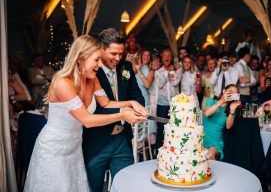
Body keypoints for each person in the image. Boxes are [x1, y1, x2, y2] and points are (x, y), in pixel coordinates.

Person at [24, 35, 147, 191]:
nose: (99, 65)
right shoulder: (62, 82)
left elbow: (107, 103)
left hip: (74, 148)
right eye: (96, 60)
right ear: (81, 58)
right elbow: (86, 120)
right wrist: (122, 115)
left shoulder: (91, 78)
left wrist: (131, 103)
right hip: (54, 149)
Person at [82, 29, 146, 192]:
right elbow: (92, 109)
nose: (118, 58)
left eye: (121, 53)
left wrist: (135, 107)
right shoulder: (90, 71)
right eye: (113, 53)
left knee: (126, 185)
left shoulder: (126, 67)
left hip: (122, 139)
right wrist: (123, 113)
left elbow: (138, 97)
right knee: (94, 187)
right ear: (101, 48)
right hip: (96, 139)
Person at [203, 84, 241, 160]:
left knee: (209, 155)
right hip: (200, 139)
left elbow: (228, 126)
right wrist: (222, 101)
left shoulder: (230, 109)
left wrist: (232, 111)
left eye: (234, 93)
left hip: (215, 142)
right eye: (230, 91)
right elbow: (207, 113)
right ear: (224, 91)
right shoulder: (211, 101)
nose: (231, 94)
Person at [155, 48, 182, 150]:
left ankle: (173, 150)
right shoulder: (158, 71)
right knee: (161, 128)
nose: (166, 57)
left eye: (169, 55)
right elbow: (160, 84)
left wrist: (173, 71)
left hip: (174, 104)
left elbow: (175, 82)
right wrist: (168, 74)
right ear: (162, 58)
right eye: (165, 55)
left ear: (171, 58)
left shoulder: (177, 70)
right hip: (162, 104)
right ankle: (159, 151)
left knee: (174, 127)